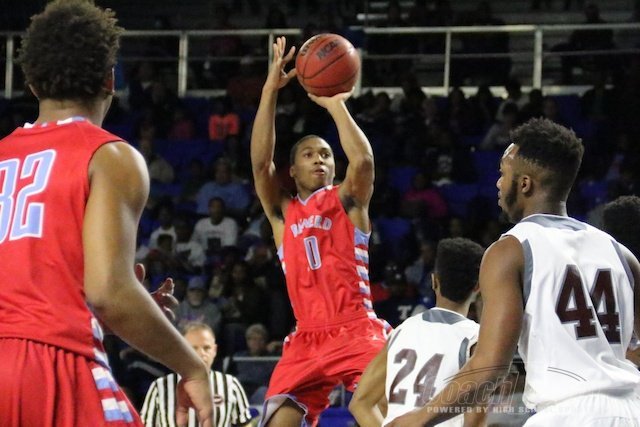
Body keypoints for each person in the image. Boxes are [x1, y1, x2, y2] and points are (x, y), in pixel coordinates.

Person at [0, 2, 213, 426]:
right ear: (110, 79)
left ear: (31, 83)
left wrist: (129, 316)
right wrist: (191, 367)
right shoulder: (109, 156)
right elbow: (109, 293)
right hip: (51, 367)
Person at [387, 118, 640, 426]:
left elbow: (490, 367)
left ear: (524, 184)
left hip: (568, 414)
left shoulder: (510, 251)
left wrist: (418, 418)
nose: (497, 183)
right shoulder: (622, 254)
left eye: (503, 173)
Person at [250, 36, 389, 427]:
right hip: (306, 339)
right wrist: (269, 91)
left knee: (383, 412)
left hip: (356, 329)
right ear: (292, 170)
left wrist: (336, 104)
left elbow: (363, 161)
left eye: (326, 155)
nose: (319, 161)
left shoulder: (348, 201)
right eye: (309, 155)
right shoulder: (283, 213)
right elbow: (261, 165)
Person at [350, 238, 486, 427]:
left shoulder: (402, 330)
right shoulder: (477, 338)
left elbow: (360, 403)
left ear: (434, 281)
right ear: (477, 287)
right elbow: (475, 420)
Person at [141, 322, 252, 427]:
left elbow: (245, 424)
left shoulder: (230, 384)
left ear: (214, 350)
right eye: (193, 348)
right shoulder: (160, 387)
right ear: (181, 350)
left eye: (206, 348)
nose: (201, 353)